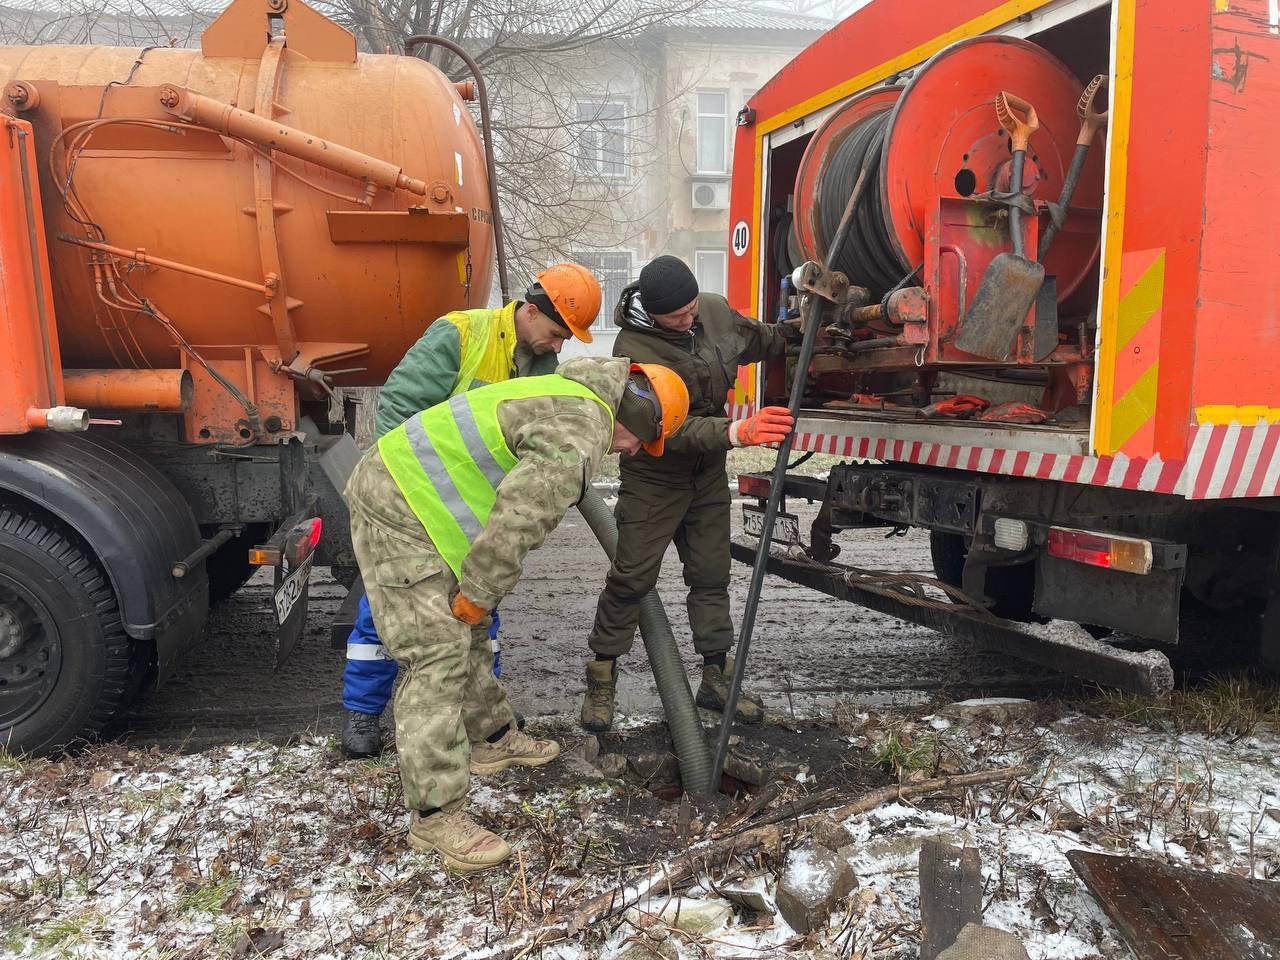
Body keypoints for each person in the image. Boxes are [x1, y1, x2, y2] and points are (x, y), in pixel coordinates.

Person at [345, 357, 689, 870]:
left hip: (425, 508)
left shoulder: (573, 396)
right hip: (397, 508)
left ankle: (491, 739)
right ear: (638, 418)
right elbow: (520, 518)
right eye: (643, 440)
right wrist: (482, 588)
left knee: (473, 623)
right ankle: (436, 817)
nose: (634, 452)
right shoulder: (580, 430)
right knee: (435, 655)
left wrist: (479, 597)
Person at [342, 263, 601, 759]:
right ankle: (362, 713)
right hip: (415, 512)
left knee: (480, 613)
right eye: (555, 333)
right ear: (529, 311)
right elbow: (397, 410)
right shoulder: (460, 335)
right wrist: (408, 496)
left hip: (471, 520)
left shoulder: (542, 369)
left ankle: (485, 719)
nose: (558, 346)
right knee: (382, 613)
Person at [581, 255, 800, 733]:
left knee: (710, 575)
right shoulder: (631, 349)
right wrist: (738, 432)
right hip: (655, 476)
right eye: (677, 316)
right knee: (632, 577)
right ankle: (602, 678)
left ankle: (717, 679)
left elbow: (761, 339)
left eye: (692, 308)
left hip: (706, 477)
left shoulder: (714, 311)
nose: (689, 319)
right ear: (653, 314)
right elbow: (666, 430)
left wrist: (803, 331)